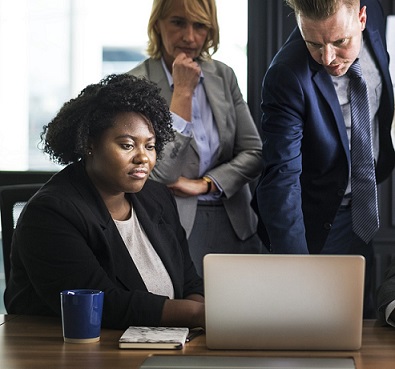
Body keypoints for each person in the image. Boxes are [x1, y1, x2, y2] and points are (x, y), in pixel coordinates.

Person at [4, 73, 205, 330]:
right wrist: (195, 316)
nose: (143, 157)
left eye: (150, 146)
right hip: (67, 352)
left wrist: (200, 323)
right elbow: (102, 304)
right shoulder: (51, 213)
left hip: (162, 345)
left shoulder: (157, 197)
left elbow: (189, 282)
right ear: (90, 145)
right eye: (127, 145)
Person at [253, 0, 395, 318]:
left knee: (361, 317)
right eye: (314, 44)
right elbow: (281, 177)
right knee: (312, 324)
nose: (327, 58)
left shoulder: (375, 14)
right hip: (314, 222)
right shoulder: (286, 76)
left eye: (339, 42)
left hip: (362, 206)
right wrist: (296, 269)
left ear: (362, 17)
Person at [129, 0, 264, 277]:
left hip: (236, 222)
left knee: (245, 315)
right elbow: (161, 173)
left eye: (200, 25)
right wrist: (183, 93)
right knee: (192, 315)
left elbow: (254, 153)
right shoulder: (135, 85)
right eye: (178, 22)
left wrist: (205, 184)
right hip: (175, 225)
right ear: (158, 24)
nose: (189, 37)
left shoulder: (223, 75)